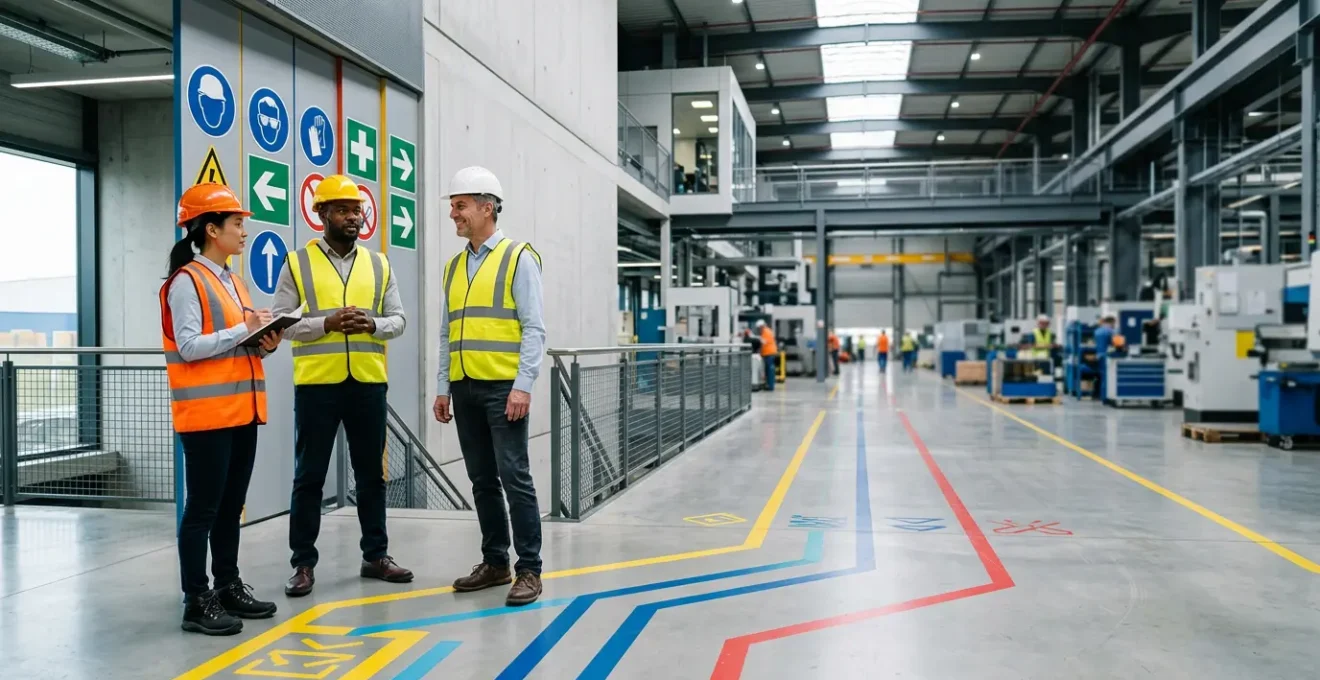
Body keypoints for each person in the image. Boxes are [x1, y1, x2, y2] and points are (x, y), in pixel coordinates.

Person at [273, 174, 412, 597]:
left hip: (368, 384)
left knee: (372, 475)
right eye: (344, 210)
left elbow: (399, 320)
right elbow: (281, 323)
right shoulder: (298, 263)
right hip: (317, 386)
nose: (354, 217)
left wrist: (373, 323)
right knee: (309, 477)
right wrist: (324, 324)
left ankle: (376, 556)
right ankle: (303, 564)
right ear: (322, 214)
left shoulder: (380, 263)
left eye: (357, 210)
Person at [162, 183, 283, 635]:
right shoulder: (185, 282)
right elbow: (191, 347)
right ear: (211, 230)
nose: (244, 230)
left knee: (231, 506)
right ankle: (197, 599)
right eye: (237, 223)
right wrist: (243, 330)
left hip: (241, 411)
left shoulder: (233, 280)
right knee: (203, 510)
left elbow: (238, 340)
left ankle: (228, 583)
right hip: (208, 416)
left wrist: (264, 340)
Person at [432, 166, 547, 607]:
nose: (454, 215)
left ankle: (529, 569)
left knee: (514, 476)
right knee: (482, 480)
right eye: (453, 207)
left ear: (486, 207)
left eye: (459, 206)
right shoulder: (454, 267)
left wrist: (523, 385)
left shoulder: (519, 257)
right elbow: (448, 332)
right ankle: (495, 562)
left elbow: (534, 328)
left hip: (504, 388)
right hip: (464, 387)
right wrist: (443, 387)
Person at [1092, 315, 1116, 399]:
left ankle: (1100, 395)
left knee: (1101, 376)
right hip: (1107, 356)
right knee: (1107, 377)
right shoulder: (1111, 331)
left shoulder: (1097, 331)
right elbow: (1114, 343)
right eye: (1114, 323)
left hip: (1099, 355)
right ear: (1111, 322)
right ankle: (1105, 396)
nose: (1114, 325)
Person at [756, 320, 777, 391]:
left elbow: (764, 342)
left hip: (769, 353)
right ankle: (769, 385)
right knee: (768, 370)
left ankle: (770, 386)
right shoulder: (767, 331)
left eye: (759, 328)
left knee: (769, 370)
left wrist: (757, 338)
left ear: (761, 326)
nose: (759, 329)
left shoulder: (766, 331)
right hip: (768, 353)